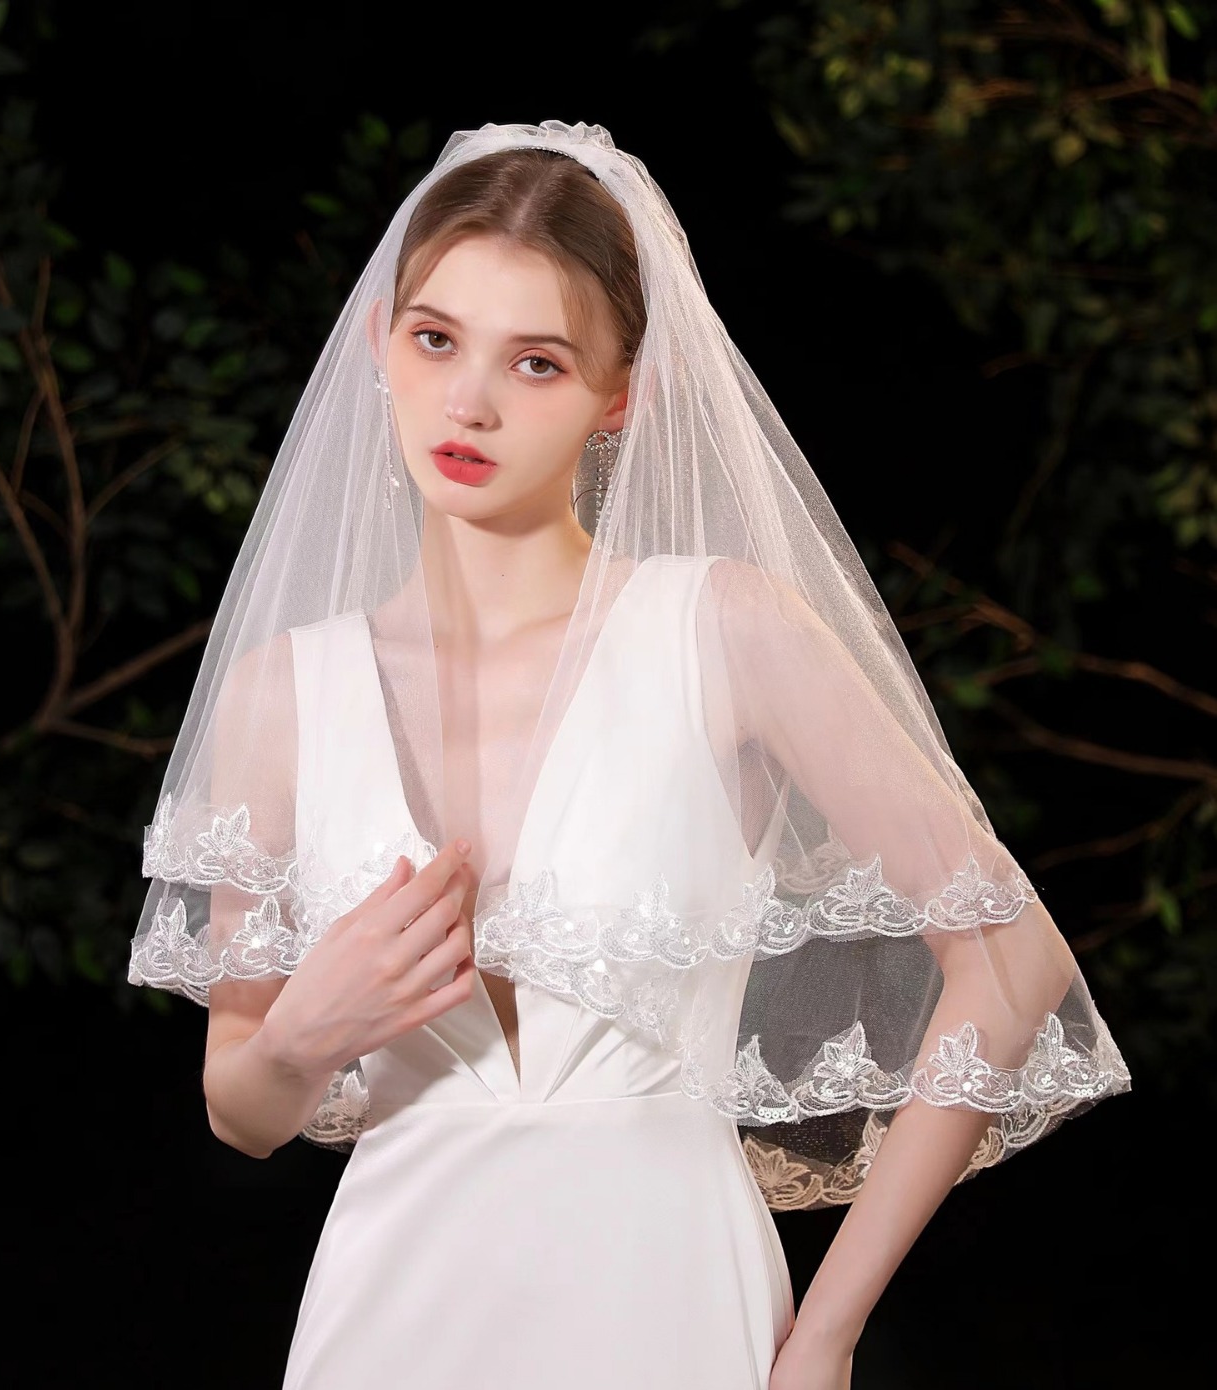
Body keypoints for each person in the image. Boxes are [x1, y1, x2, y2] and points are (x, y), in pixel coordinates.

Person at [129, 121, 1130, 1390]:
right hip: (389, 1309)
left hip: (670, 1299)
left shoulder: (726, 630)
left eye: (535, 361)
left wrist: (825, 1333)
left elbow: (1014, 959)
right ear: (380, 341)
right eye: (435, 339)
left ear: (622, 396)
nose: (469, 402)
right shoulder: (283, 693)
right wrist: (299, 1037)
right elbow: (240, 1108)